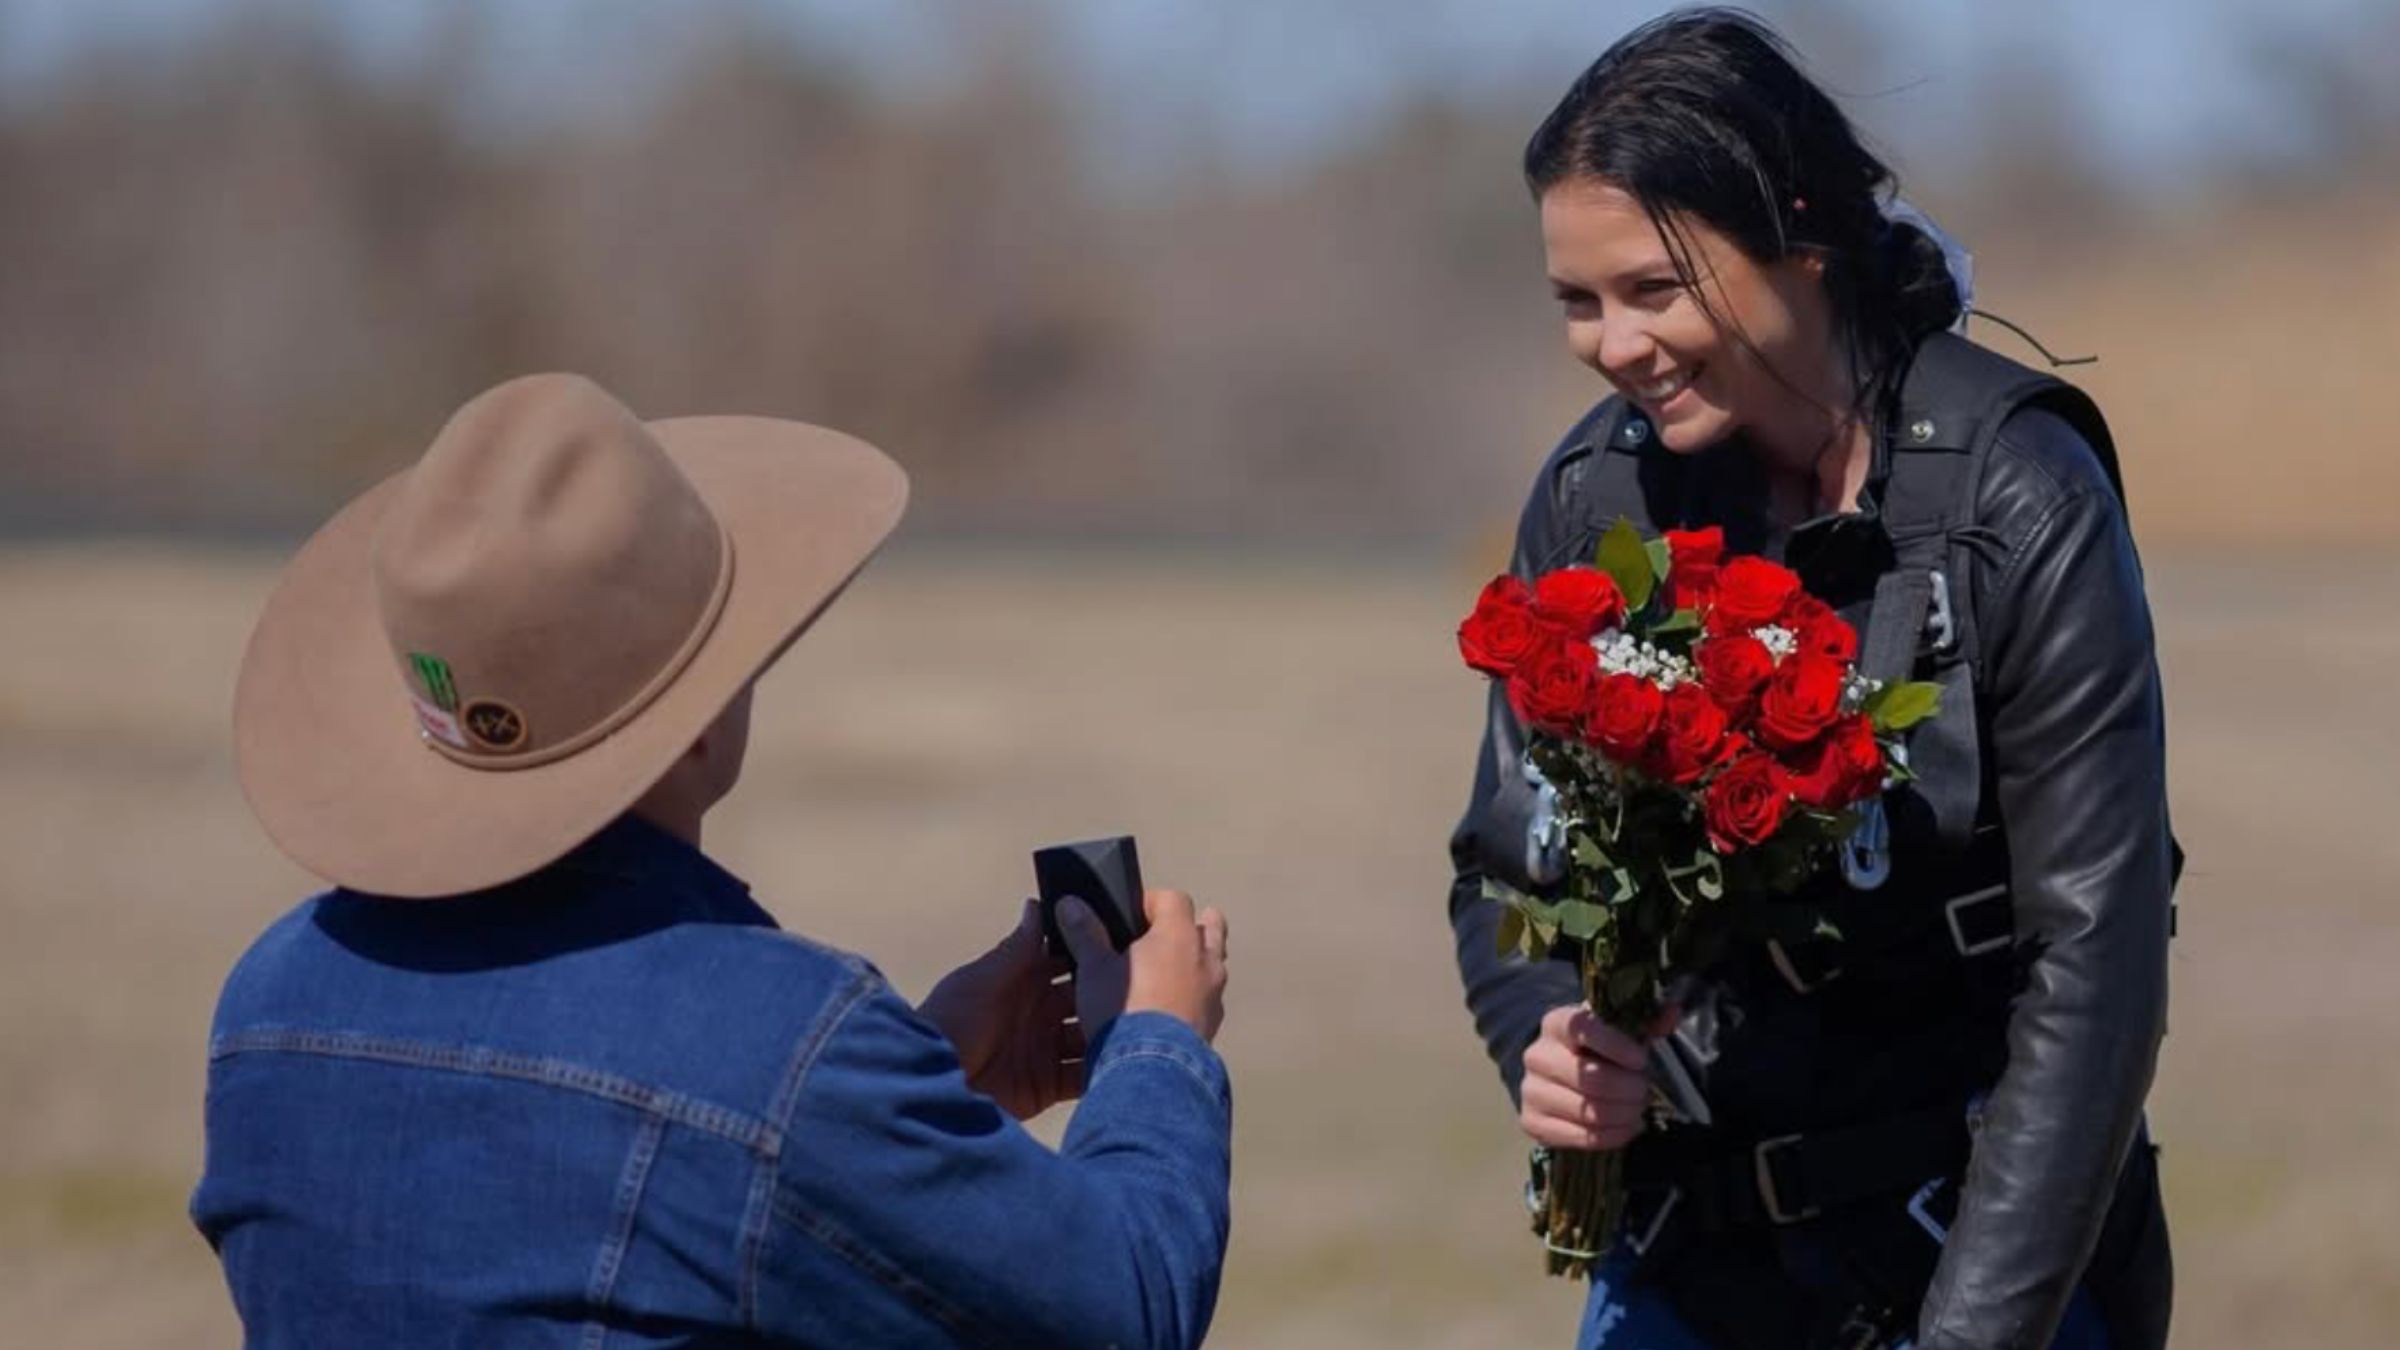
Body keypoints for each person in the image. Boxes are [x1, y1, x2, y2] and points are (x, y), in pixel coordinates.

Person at [190, 373, 1233, 1348]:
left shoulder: (269, 1001)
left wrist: (905, 1092)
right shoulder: (776, 1045)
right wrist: (1157, 1045)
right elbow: (1122, 1302)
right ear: (692, 725)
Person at [1445, 11, 2175, 1350]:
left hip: (1983, 1268)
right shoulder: (1594, 499)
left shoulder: (2020, 494)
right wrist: (1553, 1037)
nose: (1611, 344)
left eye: (1654, 289)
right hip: (1680, 1274)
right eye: (1577, 301)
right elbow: (1507, 874)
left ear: (1802, 237)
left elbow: (2098, 963)